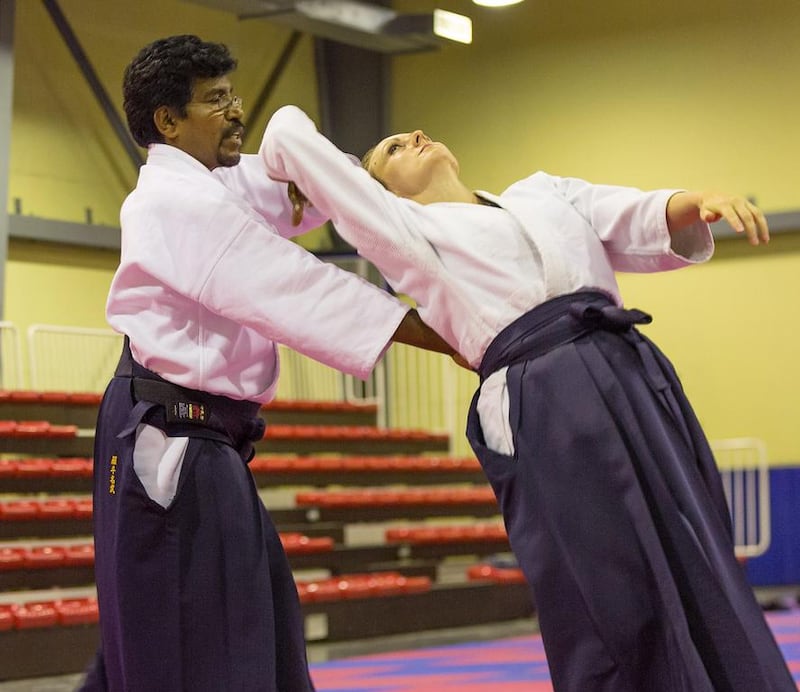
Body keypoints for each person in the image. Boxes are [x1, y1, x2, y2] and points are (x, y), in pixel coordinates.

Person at [260, 105, 796, 691]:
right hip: (540, 396)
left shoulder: (540, 193)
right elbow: (286, 128)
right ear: (373, 194)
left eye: (410, 134)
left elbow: (626, 214)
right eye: (393, 149)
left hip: (626, 367)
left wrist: (693, 202)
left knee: (698, 549)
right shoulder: (401, 231)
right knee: (607, 591)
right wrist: (325, 186)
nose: (415, 134)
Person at [80, 37, 454, 692]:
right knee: (194, 640)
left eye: (234, 94)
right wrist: (452, 336)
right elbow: (294, 288)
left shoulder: (215, 184)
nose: (236, 110)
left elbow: (288, 183)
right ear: (168, 122)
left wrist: (370, 177)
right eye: (214, 99)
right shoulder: (173, 202)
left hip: (194, 434)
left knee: (213, 630)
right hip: (170, 437)